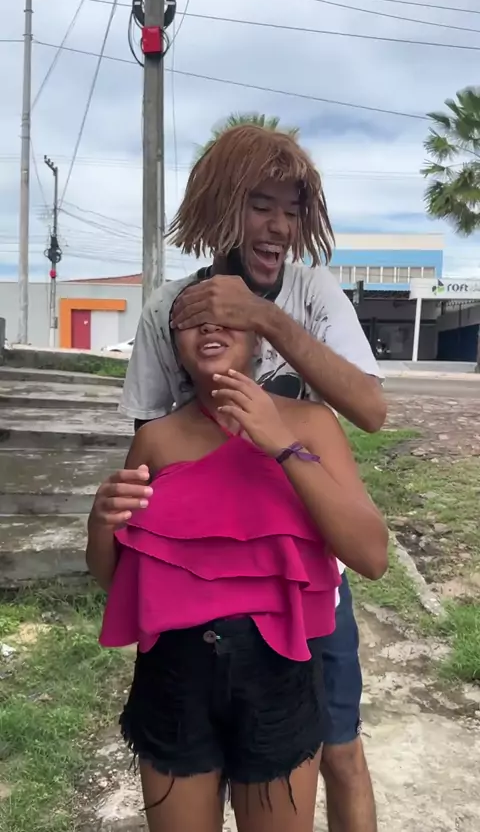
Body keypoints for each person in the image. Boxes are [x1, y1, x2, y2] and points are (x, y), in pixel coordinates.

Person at [119, 124, 387, 832]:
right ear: (218, 207)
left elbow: (371, 410)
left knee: (340, 752)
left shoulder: (311, 291)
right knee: (206, 760)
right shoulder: (169, 310)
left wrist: (264, 318)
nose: (279, 227)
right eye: (260, 205)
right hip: (211, 593)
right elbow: (149, 456)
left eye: (291, 211)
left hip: (308, 573)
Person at [88, 301, 389, 832]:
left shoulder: (311, 423)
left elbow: (372, 556)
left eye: (226, 315)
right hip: (173, 679)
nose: (208, 325)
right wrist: (99, 525)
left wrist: (281, 446)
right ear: (175, 348)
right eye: (189, 321)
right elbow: (122, 583)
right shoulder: (156, 439)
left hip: (280, 678)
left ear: (257, 339)